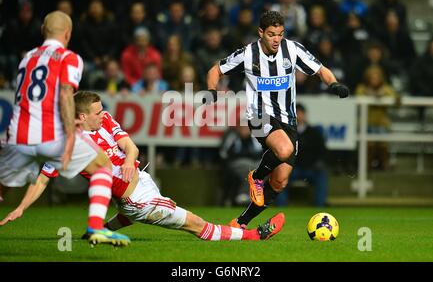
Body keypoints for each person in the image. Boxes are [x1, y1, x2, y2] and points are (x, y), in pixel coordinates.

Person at [0, 91, 285, 243]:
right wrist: (22, 207)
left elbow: (131, 147)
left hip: (140, 180)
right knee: (198, 225)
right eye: (97, 113)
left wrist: (126, 160)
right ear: (82, 116)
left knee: (127, 213)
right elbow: (42, 179)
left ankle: (95, 231)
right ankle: (254, 236)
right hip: (138, 201)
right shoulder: (68, 144)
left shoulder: (106, 120)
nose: (103, 115)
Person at [204, 10, 349, 229]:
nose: (276, 39)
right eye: (272, 34)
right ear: (260, 32)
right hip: (258, 114)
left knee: (280, 182)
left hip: (287, 121)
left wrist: (334, 84)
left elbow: (320, 70)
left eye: (280, 34)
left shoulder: (292, 49)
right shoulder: (247, 54)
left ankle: (241, 222)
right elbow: (215, 70)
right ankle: (256, 176)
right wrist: (211, 90)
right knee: (283, 150)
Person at [0, 11, 130, 246]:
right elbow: (65, 95)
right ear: (68, 34)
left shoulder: (27, 57)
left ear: (42, 31)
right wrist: (71, 132)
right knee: (103, 166)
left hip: (18, 135)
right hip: (51, 135)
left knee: (2, 186)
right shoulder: (69, 58)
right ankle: (95, 228)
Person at [275, 104, 328, 207]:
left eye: (300, 113)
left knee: (322, 174)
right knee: (280, 174)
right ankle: (281, 206)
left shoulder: (314, 133)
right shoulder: (286, 132)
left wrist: (318, 162)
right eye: (296, 114)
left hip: (311, 168)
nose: (298, 116)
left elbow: (322, 152)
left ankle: (319, 206)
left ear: (305, 115)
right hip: (292, 169)